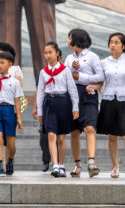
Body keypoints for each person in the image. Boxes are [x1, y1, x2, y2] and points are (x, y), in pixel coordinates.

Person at [93, 32, 125, 178]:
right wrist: (93, 87)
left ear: (123, 45)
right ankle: (115, 166)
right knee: (112, 135)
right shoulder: (104, 63)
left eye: (116, 42)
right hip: (109, 100)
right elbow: (100, 82)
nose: (112, 45)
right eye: (110, 42)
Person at [34, 41, 79, 178]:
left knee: (61, 137)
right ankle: (54, 165)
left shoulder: (65, 70)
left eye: (50, 52)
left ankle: (61, 165)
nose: (47, 55)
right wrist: (40, 112)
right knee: (51, 134)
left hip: (63, 102)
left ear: (57, 53)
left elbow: (72, 89)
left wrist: (75, 107)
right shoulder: (43, 72)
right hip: (49, 103)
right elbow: (40, 92)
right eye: (45, 53)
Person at [64, 29, 104, 177]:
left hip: (88, 95)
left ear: (76, 40)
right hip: (73, 95)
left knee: (90, 128)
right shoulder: (68, 58)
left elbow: (100, 76)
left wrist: (79, 75)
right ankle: (77, 165)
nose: (68, 42)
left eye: (70, 38)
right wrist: (72, 70)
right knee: (74, 132)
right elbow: (65, 76)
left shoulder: (92, 56)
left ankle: (92, 163)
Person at [0, 51, 24, 176]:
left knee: (11, 143)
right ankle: (0, 165)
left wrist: (19, 117)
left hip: (9, 110)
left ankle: (10, 161)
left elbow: (17, 100)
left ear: (10, 65)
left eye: (2, 63)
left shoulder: (15, 82)